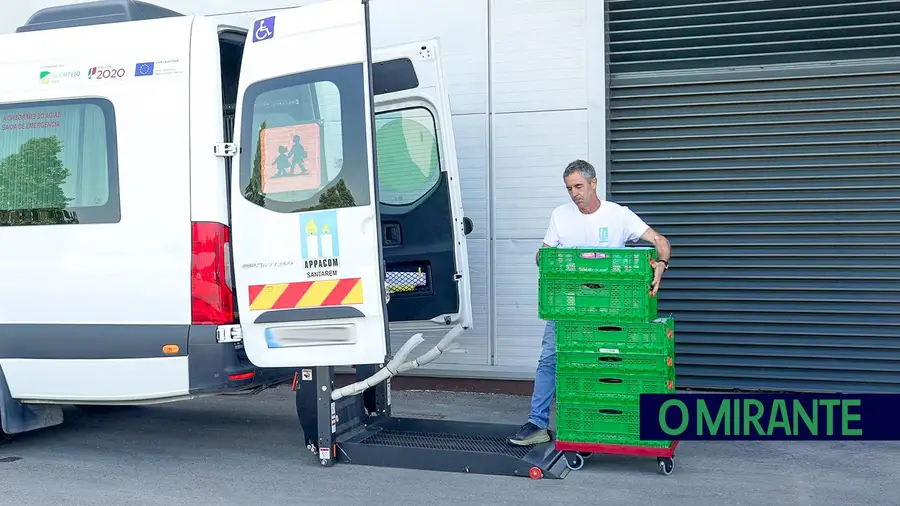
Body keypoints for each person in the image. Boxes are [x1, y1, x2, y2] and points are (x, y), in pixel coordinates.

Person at [508, 159, 671, 446]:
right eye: (569, 188)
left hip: (613, 306)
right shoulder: (561, 216)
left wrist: (661, 264)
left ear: (594, 183)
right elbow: (542, 255)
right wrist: (547, 258)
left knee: (613, 360)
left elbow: (660, 240)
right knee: (550, 358)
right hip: (569, 304)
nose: (574, 194)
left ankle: (624, 423)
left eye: (579, 186)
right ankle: (537, 424)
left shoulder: (619, 215)